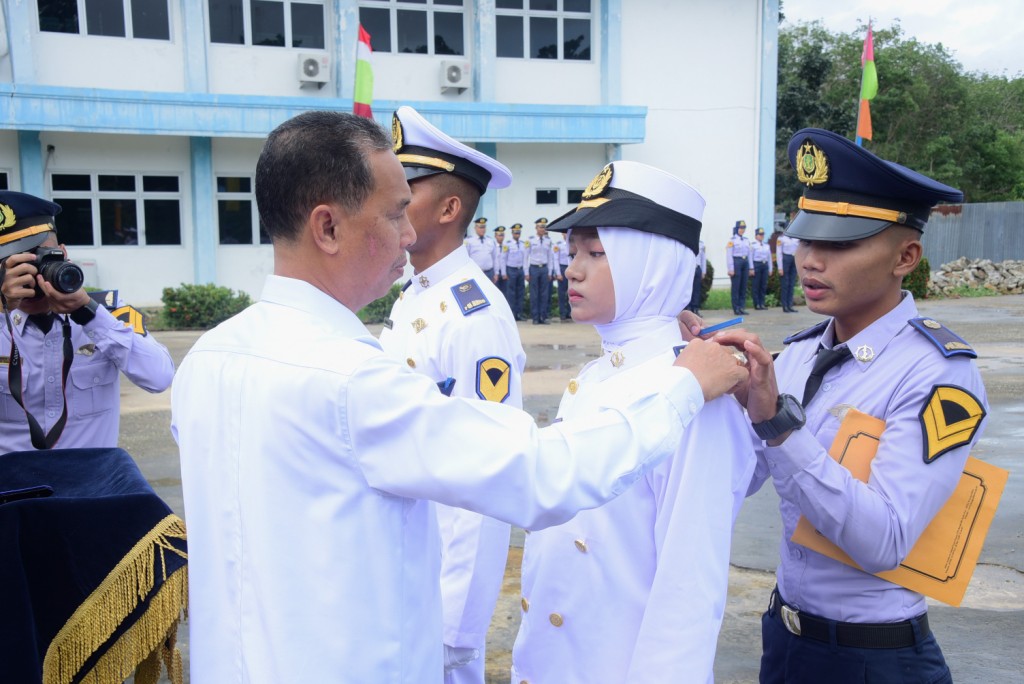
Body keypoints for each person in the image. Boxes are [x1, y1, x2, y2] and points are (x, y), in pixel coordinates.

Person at [170, 110, 748, 684]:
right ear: (328, 228)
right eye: (395, 213)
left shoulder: (207, 361)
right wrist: (685, 384)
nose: (407, 233)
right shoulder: (352, 381)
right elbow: (545, 473)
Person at [719, 128, 988, 684]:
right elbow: (734, 478)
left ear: (905, 256)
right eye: (805, 240)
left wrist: (776, 422)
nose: (811, 261)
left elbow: (883, 540)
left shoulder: (938, 373)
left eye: (840, 245)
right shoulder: (795, 357)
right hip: (786, 640)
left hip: (874, 660)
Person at [511, 161, 756, 683]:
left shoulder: (696, 386)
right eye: (573, 251)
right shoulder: (599, 374)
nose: (572, 269)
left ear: (653, 265)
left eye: (596, 254)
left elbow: (687, 587)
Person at [380, 105, 522, 684]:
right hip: (403, 567)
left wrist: (455, 629)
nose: (389, 201)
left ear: (449, 207)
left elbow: (486, 478)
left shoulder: (475, 315)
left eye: (404, 189)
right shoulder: (412, 293)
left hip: (440, 594)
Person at [0, 190, 174, 452]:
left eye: (38, 260)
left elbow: (159, 377)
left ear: (62, 253)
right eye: (12, 267)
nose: (30, 277)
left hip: (92, 488)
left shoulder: (109, 315)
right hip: (12, 489)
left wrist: (88, 314)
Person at [526, 217, 555, 324]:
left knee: (544, 294)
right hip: (533, 268)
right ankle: (535, 317)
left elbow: (550, 257)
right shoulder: (530, 240)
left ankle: (544, 316)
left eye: (544, 227)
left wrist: (550, 271)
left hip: (544, 268)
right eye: (541, 227)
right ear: (536, 228)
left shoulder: (548, 241)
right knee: (534, 294)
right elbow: (526, 257)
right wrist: (526, 272)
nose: (542, 229)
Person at [726, 219, 752, 315]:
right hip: (736, 262)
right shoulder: (732, 241)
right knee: (736, 286)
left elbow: (749, 254)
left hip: (745, 262)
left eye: (743, 228)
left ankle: (741, 307)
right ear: (737, 229)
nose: (742, 230)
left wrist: (751, 268)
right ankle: (736, 308)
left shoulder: (746, 240)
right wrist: (731, 269)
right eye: (740, 228)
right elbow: (729, 255)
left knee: (743, 286)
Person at [503, 223, 528, 320]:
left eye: (518, 233)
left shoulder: (523, 244)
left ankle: (519, 314)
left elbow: (525, 259)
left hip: (520, 270)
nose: (517, 235)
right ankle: (512, 314)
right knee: (511, 293)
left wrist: (526, 272)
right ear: (512, 233)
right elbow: (503, 259)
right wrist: (504, 273)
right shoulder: (507, 244)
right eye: (515, 233)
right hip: (511, 270)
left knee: (520, 293)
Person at [464, 216, 498, 283]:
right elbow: (465, 258)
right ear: (475, 228)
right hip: (476, 272)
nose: (483, 229)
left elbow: (495, 258)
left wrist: (496, 273)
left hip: (489, 273)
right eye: (480, 227)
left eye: (484, 227)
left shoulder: (490, 240)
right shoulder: (469, 241)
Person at [776, 221, 799, 312]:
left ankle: (790, 305)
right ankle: (785, 306)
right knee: (785, 284)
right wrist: (780, 267)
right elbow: (778, 253)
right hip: (785, 259)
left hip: (794, 259)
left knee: (791, 284)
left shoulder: (796, 238)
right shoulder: (781, 239)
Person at [750, 226, 774, 310]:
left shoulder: (766, 245)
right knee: (756, 285)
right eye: (760, 234)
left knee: (763, 285)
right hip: (757, 264)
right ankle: (756, 304)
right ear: (756, 236)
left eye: (762, 234)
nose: (761, 236)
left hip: (764, 265)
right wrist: (751, 268)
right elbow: (750, 257)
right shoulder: (753, 245)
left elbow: (769, 258)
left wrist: (770, 268)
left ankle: (762, 303)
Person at [552, 231, 571, 320]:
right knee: (562, 293)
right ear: (562, 235)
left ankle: (569, 312)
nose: (566, 235)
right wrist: (558, 273)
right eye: (565, 234)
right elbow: (555, 259)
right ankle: (562, 313)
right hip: (562, 268)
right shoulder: (558, 245)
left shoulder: (572, 243)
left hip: (570, 267)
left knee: (571, 292)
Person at [685, 238, 706, 315]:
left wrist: (703, 271)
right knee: (688, 290)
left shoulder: (701, 243)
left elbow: (703, 258)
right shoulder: (687, 241)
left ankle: (696, 309)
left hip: (697, 268)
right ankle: (688, 309)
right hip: (688, 269)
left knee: (697, 290)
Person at [493, 225, 507, 298]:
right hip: (496, 273)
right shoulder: (493, 246)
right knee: (496, 293)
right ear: (495, 236)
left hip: (504, 273)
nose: (501, 237)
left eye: (502, 235)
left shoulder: (506, 246)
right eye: (499, 235)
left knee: (505, 293)